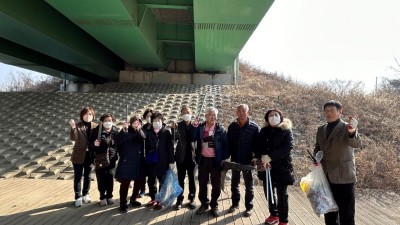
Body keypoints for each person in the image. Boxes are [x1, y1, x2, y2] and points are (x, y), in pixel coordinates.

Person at [314, 100, 361, 225]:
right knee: (329, 211)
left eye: (332, 111)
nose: (329, 113)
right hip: (326, 176)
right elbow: (318, 148)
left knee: (346, 213)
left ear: (340, 111)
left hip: (344, 176)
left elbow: (356, 143)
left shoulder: (347, 127)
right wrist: (316, 158)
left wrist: (352, 132)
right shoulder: (321, 129)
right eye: (326, 111)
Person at [258, 109, 295, 225]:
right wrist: (263, 157)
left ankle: (283, 219)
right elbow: (258, 145)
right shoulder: (263, 131)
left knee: (282, 194)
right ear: (267, 118)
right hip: (266, 166)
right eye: (270, 115)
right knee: (268, 192)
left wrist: (271, 157)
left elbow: (288, 147)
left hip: (282, 167)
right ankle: (274, 214)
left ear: (281, 117)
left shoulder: (286, 130)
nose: (273, 117)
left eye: (276, 115)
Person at [194, 107, 229, 217]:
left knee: (216, 184)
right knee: (202, 183)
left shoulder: (220, 129)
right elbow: (192, 137)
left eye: (214, 115)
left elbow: (226, 145)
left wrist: (222, 157)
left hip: (215, 161)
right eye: (210, 114)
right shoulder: (200, 127)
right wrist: (194, 126)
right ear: (206, 116)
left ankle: (214, 205)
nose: (213, 117)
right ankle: (204, 203)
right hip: (203, 159)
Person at [227, 104, 260, 216]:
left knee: (249, 185)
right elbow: (229, 144)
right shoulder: (232, 126)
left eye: (244, 111)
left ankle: (249, 207)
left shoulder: (255, 127)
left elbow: (258, 145)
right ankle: (235, 204)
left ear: (248, 112)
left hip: (248, 162)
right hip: (235, 160)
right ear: (236, 112)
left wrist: (256, 157)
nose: (241, 113)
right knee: (234, 184)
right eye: (239, 111)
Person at [114, 115, 146, 213]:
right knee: (125, 183)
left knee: (139, 181)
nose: (136, 123)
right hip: (127, 161)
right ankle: (123, 203)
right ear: (130, 123)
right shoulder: (125, 131)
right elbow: (117, 141)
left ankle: (133, 199)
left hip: (139, 161)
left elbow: (143, 137)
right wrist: (123, 130)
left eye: (138, 122)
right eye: (134, 122)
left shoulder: (140, 132)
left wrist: (138, 129)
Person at [144, 111, 174, 210]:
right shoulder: (148, 131)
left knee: (162, 181)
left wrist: (171, 161)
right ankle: (153, 198)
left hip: (163, 161)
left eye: (159, 120)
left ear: (162, 121)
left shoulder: (166, 132)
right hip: (151, 159)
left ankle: (160, 200)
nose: (157, 122)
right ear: (151, 121)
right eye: (155, 120)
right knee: (151, 180)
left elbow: (170, 148)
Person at [69, 106, 98, 207]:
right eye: (86, 114)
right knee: (78, 176)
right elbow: (73, 137)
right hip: (78, 155)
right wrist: (73, 128)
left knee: (88, 176)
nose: (88, 116)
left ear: (93, 115)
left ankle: (86, 194)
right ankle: (78, 196)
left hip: (90, 155)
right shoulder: (77, 126)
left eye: (90, 114)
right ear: (82, 116)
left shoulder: (96, 126)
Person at [89, 113, 118, 207]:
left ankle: (109, 196)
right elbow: (91, 146)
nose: (108, 122)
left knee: (110, 178)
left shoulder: (115, 131)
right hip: (100, 159)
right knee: (101, 179)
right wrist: (94, 144)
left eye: (110, 120)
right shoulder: (97, 131)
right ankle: (102, 196)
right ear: (102, 122)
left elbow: (119, 143)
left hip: (112, 159)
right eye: (106, 121)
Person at [171, 106, 197, 210]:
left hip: (192, 157)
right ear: (181, 115)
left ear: (191, 113)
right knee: (180, 179)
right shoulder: (178, 125)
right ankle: (179, 199)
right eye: (184, 113)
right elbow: (175, 137)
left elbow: (196, 138)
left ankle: (192, 199)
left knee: (192, 179)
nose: (186, 114)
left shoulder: (195, 125)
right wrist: (173, 129)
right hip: (181, 157)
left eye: (188, 112)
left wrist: (195, 127)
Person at [137, 108, 153, 197]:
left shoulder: (156, 127)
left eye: (150, 116)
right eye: (147, 116)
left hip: (152, 153)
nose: (149, 118)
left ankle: (152, 191)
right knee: (142, 173)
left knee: (151, 174)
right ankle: (142, 190)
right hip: (143, 153)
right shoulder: (143, 127)